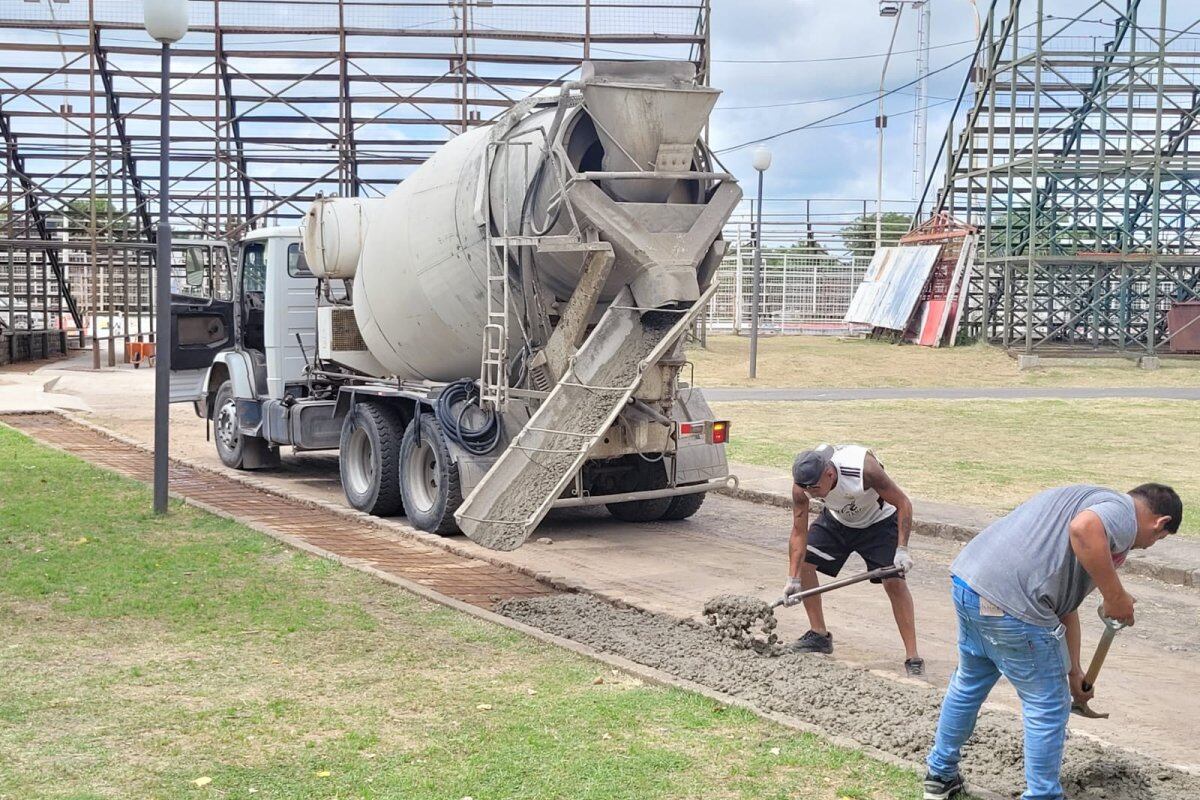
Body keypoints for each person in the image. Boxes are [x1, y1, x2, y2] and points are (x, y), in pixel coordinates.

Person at [923, 483, 1182, 800]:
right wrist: (1115, 596)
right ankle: (1042, 796)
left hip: (971, 584)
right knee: (1047, 706)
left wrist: (1074, 673)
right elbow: (1084, 529)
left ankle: (940, 776)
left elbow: (1064, 609)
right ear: (1161, 522)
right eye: (1158, 539)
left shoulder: (1090, 502)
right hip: (1015, 604)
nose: (1148, 546)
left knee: (969, 682)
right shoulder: (1122, 514)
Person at [785, 443, 923, 675]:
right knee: (805, 563)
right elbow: (799, 532)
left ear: (829, 474)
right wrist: (793, 578)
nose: (813, 494)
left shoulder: (864, 469)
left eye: (816, 489)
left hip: (878, 523)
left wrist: (902, 549)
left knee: (894, 582)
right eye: (808, 490)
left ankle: (913, 657)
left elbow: (903, 503)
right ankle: (819, 635)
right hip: (838, 521)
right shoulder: (804, 484)